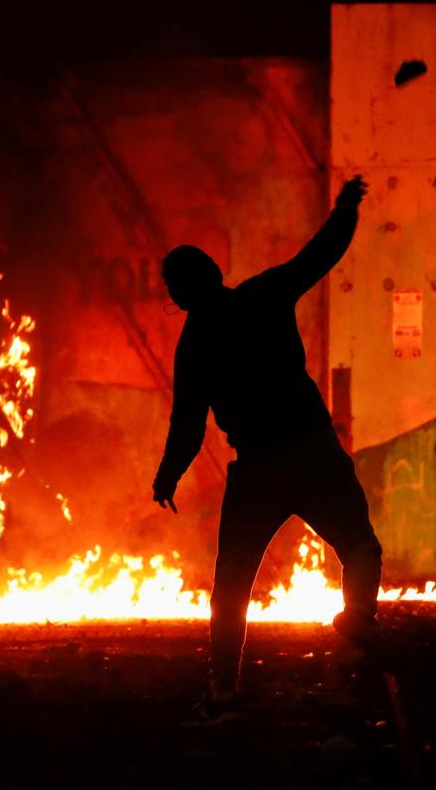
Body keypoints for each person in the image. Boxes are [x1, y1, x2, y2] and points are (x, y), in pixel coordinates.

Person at [152, 175, 383, 718]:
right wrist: (345, 208)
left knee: (232, 581)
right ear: (216, 275)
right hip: (312, 449)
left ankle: (223, 687)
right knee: (359, 546)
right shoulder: (264, 295)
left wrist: (167, 475)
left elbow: (188, 424)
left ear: (178, 296)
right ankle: (358, 620)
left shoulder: (195, 344)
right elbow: (320, 255)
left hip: (257, 465)